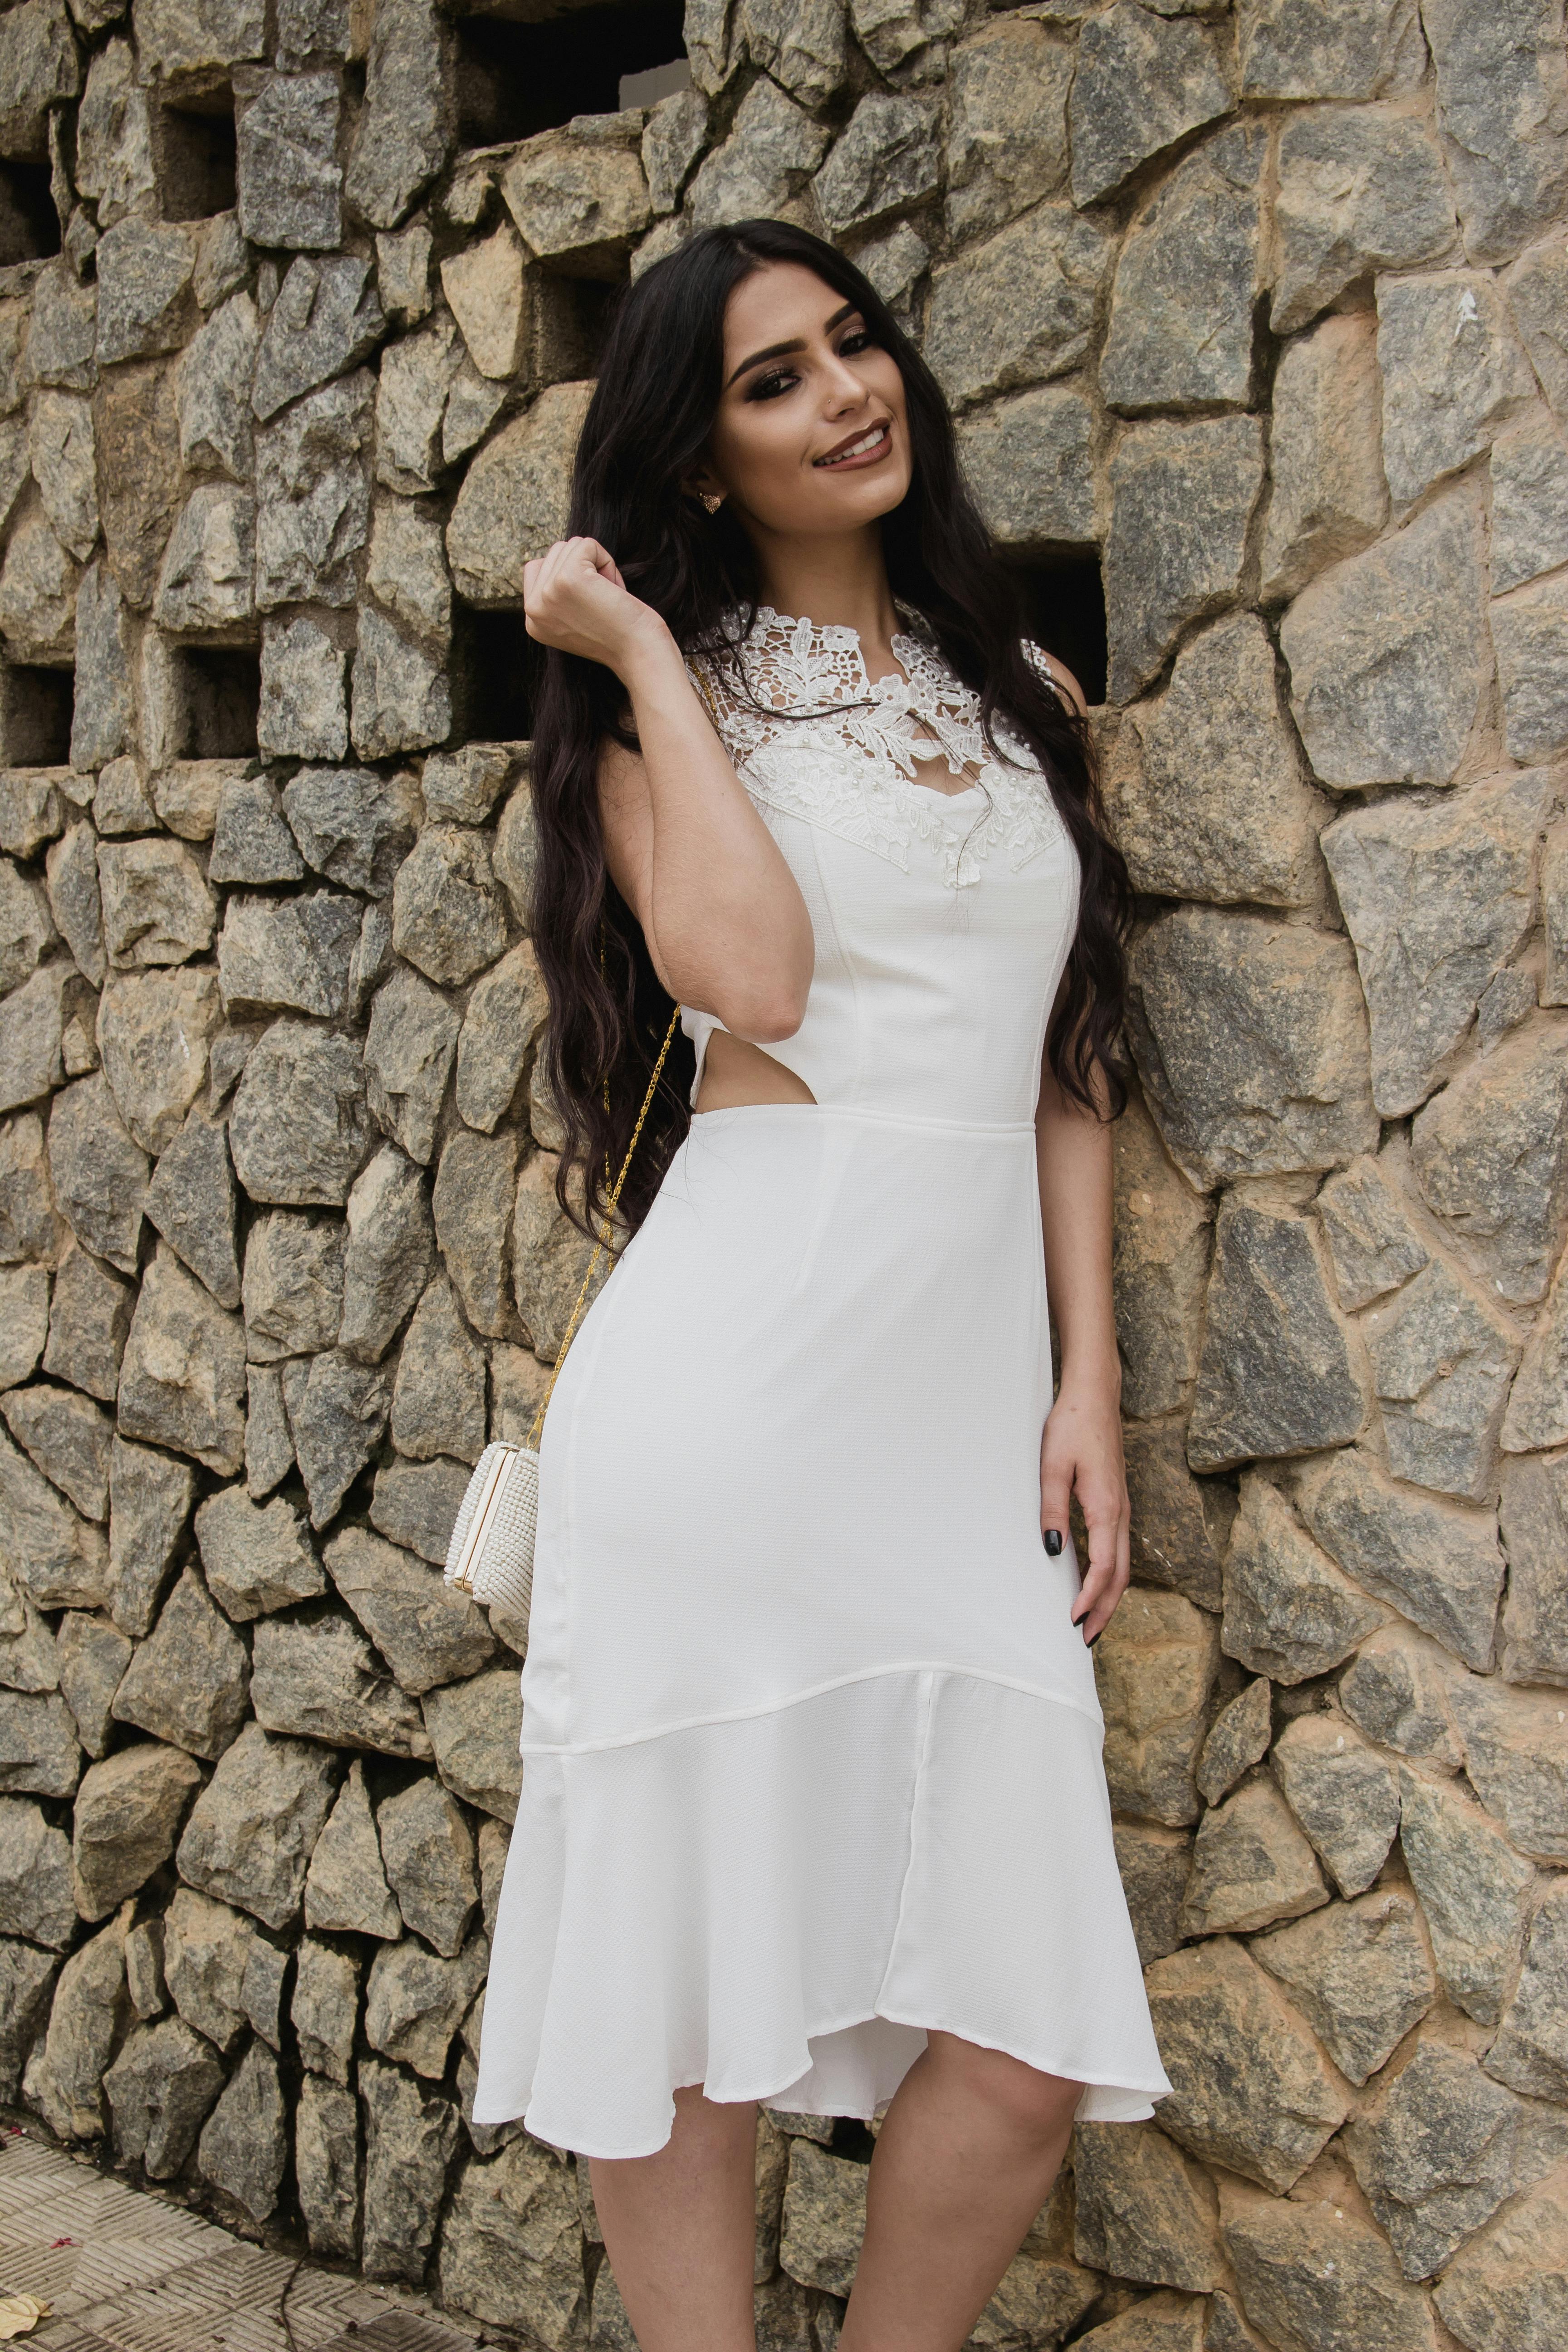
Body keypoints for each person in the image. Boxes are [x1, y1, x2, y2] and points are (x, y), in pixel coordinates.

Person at [471, 216, 1171, 2352]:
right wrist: (654, 663)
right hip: (731, 1403)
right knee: (679, 1983)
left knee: (1029, 2041)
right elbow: (752, 981)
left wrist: (1089, 1384)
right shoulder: (653, 728)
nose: (845, 392)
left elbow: (1064, 1054)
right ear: (698, 461)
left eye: (854, 345)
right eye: (771, 381)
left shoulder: (1023, 693)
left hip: (952, 1431)